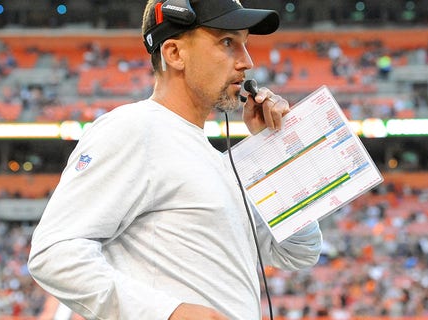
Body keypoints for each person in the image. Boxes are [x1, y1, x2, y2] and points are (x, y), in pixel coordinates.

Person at [27, 0, 322, 319]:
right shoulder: (134, 128)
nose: (247, 61)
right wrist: (169, 313)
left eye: (245, 44)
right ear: (174, 54)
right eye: (227, 42)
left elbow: (298, 252)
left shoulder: (216, 158)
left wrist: (274, 151)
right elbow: (54, 252)